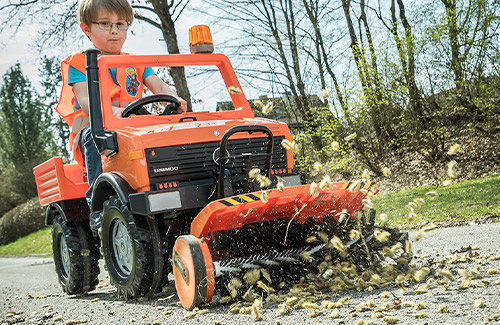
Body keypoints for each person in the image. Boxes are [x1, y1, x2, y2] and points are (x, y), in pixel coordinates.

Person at [55, 0, 187, 233]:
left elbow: (159, 86)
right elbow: (86, 101)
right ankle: (97, 205)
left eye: (120, 24)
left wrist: (174, 99)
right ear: (86, 28)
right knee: (92, 135)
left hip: (131, 127)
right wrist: (112, 112)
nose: (114, 30)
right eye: (105, 24)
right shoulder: (79, 63)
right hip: (94, 129)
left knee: (166, 130)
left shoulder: (135, 63)